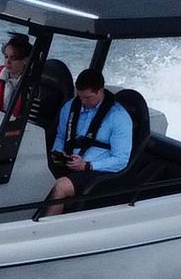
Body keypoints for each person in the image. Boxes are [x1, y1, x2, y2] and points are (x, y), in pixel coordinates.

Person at [45, 68, 133, 214]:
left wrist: (87, 166)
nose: (83, 102)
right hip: (69, 161)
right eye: (80, 97)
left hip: (97, 170)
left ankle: (45, 225)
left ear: (100, 91)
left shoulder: (119, 117)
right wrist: (59, 154)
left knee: (61, 186)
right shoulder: (70, 107)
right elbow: (61, 136)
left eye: (87, 97)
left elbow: (120, 159)